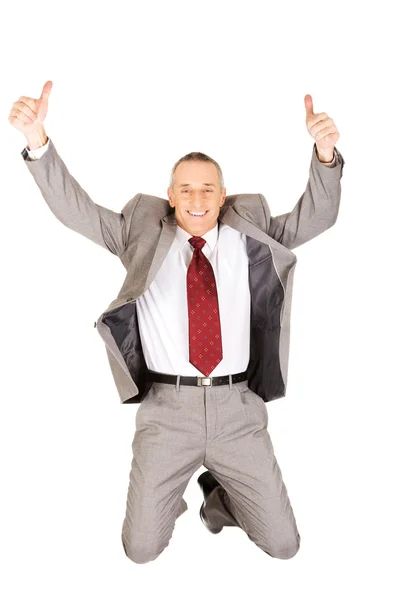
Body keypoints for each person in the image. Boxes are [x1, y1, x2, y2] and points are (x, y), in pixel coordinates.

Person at [9, 80, 345, 564]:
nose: (197, 197)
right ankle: (191, 492)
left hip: (238, 408)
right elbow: (75, 211)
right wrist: (38, 141)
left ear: (223, 194)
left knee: (284, 546)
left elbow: (318, 216)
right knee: (141, 550)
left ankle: (219, 498)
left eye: (208, 188)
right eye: (185, 188)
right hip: (167, 411)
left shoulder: (250, 231)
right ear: (170, 195)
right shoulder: (139, 232)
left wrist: (325, 153)